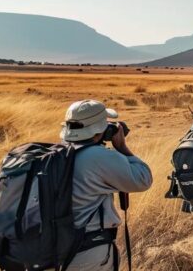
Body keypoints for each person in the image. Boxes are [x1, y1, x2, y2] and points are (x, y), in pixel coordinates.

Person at [61, 100, 153, 271]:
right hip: (87, 251)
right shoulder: (98, 157)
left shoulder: (57, 153)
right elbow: (143, 179)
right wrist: (122, 147)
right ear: (97, 130)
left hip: (49, 250)